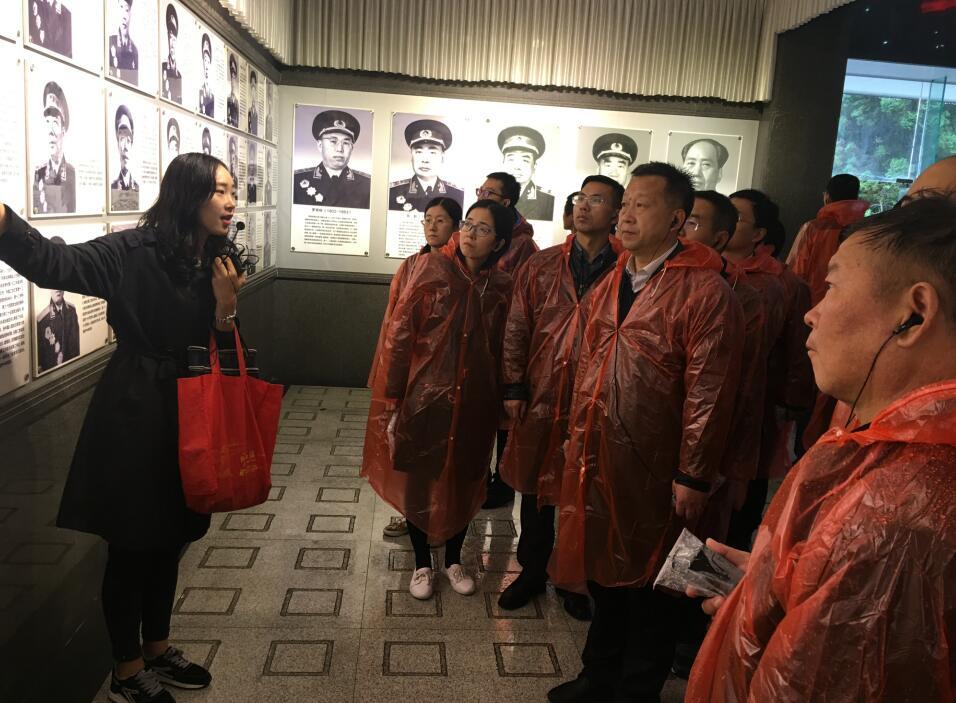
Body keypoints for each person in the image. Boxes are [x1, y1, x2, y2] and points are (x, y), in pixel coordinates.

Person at [0, 152, 254, 702]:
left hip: (191, 407)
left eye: (233, 191)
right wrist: (4, 222)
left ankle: (158, 648)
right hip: (136, 408)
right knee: (133, 543)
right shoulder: (132, 251)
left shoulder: (218, 258)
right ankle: (126, 667)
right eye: (219, 191)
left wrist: (226, 305)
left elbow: (224, 338)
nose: (231, 202)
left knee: (172, 536)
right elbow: (53, 263)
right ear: (188, 194)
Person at [686, 193, 956, 702]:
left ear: (915, 313)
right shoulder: (898, 453)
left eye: (831, 288)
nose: (813, 314)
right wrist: (778, 587)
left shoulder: (894, 518)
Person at [547, 162, 744, 703]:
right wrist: (574, 434)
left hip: (663, 466)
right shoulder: (614, 279)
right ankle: (598, 675)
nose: (627, 215)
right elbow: (585, 364)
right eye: (626, 203)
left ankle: (637, 689)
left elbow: (710, 392)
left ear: (677, 220)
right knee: (605, 570)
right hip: (601, 453)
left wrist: (692, 473)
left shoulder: (705, 292)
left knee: (658, 583)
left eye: (643, 205)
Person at [362, 200, 513, 601]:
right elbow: (400, 336)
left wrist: (506, 398)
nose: (470, 234)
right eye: (468, 224)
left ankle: (454, 559)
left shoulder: (502, 287)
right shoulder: (432, 271)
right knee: (418, 476)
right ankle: (421, 563)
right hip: (425, 396)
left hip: (475, 402)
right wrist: (393, 395)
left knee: (465, 478)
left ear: (499, 242)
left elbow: (507, 347)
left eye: (483, 229)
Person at [497, 175, 625, 621]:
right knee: (536, 487)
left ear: (617, 212)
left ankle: (575, 578)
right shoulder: (543, 264)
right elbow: (517, 326)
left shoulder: (626, 270)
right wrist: (514, 386)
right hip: (542, 390)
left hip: (598, 398)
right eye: (580, 198)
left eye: (597, 200)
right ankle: (532, 570)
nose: (584, 206)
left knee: (584, 491)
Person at [673, 190, 770, 677]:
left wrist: (734, 463)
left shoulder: (745, 293)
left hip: (722, 443)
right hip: (676, 443)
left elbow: (749, 388)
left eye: (694, 223)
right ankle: (671, 635)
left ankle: (697, 639)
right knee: (671, 548)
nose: (683, 230)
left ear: (721, 236)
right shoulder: (671, 285)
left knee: (706, 544)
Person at [723, 189, 812, 551]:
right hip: (710, 405)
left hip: (757, 407)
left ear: (759, 233)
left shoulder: (784, 283)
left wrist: (791, 401)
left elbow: (797, 349)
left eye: (737, 217)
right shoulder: (701, 270)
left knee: (743, 494)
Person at [370, 196, 463, 539]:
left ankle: (436, 520)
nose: (432, 226)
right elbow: (393, 322)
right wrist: (387, 373)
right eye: (428, 219)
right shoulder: (411, 264)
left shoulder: (460, 269)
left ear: (456, 226)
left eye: (441, 220)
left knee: (441, 453)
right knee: (406, 449)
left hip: (445, 375)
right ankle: (411, 515)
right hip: (409, 372)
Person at [470, 171, 540, 509]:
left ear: (507, 201)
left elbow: (525, 298)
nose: (482, 196)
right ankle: (478, 477)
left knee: (505, 415)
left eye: (490, 193)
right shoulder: (476, 230)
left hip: (506, 338)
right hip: (477, 336)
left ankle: (503, 481)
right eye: (481, 190)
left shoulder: (523, 244)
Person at [786, 174, 869, 449]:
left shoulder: (814, 228)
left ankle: (806, 448)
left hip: (811, 317)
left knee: (810, 385)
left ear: (827, 197)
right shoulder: (869, 232)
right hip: (853, 323)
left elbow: (796, 273)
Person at [293, 110, 371, 208]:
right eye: (333, 141)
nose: (340, 149)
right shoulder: (296, 181)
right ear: (320, 145)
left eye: (346, 143)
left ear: (352, 148)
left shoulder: (367, 184)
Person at [388, 119, 463, 212]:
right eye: (419, 152)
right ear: (411, 155)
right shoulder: (391, 193)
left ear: (442, 156)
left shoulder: (457, 195)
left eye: (432, 152)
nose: (425, 160)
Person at [35, 238, 80, 374]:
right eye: (52, 283)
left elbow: (75, 348)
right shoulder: (42, 320)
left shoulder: (71, 311)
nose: (57, 288)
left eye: (60, 281)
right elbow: (42, 359)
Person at [33, 81, 75, 215]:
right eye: (47, 122)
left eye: (55, 123)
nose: (50, 131)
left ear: (63, 129)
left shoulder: (72, 174)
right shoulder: (39, 174)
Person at [498, 126, 554, 221]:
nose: (517, 167)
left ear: (534, 165)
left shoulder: (547, 200)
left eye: (525, 160)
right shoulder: (493, 196)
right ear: (503, 163)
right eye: (511, 159)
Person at [111, 105, 140, 212]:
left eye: (128, 140)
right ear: (117, 142)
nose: (125, 147)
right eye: (122, 139)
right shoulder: (113, 186)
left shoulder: (136, 186)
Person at [109, 0, 139, 84]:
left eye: (127, 10)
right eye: (121, 7)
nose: (124, 16)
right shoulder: (110, 43)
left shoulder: (134, 51)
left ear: (130, 14)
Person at [161, 4, 182, 104]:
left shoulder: (179, 76)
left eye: (174, 39)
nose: (172, 43)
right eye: (170, 37)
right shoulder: (162, 68)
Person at [199, 33, 215, 118]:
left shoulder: (212, 97)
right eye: (205, 60)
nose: (206, 65)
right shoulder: (199, 91)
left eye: (208, 61)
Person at [226, 53, 239, 128]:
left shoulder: (237, 102)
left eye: (234, 73)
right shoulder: (227, 100)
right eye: (231, 73)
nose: (232, 76)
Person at [247, 69, 259, 134]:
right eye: (252, 83)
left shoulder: (257, 110)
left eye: (254, 83)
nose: (253, 87)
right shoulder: (248, 107)